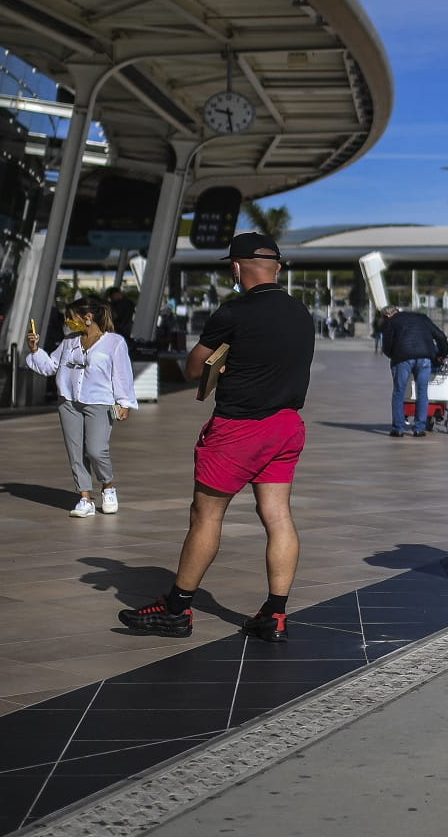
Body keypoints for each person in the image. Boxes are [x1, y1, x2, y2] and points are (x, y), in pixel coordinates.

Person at [119, 232, 317, 643]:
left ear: (236, 267)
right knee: (278, 517)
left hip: (238, 428)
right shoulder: (301, 313)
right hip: (286, 425)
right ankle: (275, 615)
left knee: (206, 516)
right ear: (277, 267)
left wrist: (221, 366)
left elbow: (193, 369)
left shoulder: (233, 312)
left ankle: (176, 609)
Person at [26, 296, 138, 518]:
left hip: (100, 401)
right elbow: (50, 366)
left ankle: (108, 487)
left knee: (97, 450)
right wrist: (35, 349)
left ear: (88, 317)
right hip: (69, 401)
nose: (68, 321)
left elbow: (122, 374)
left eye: (71, 317)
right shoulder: (69, 341)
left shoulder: (114, 342)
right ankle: (84, 498)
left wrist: (124, 402)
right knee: (75, 451)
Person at [379, 305, 448, 436]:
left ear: (387, 315)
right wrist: (442, 353)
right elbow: (440, 336)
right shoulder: (421, 318)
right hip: (424, 358)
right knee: (422, 392)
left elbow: (386, 346)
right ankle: (419, 428)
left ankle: (398, 429)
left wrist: (393, 355)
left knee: (399, 392)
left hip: (402, 359)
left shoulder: (390, 322)